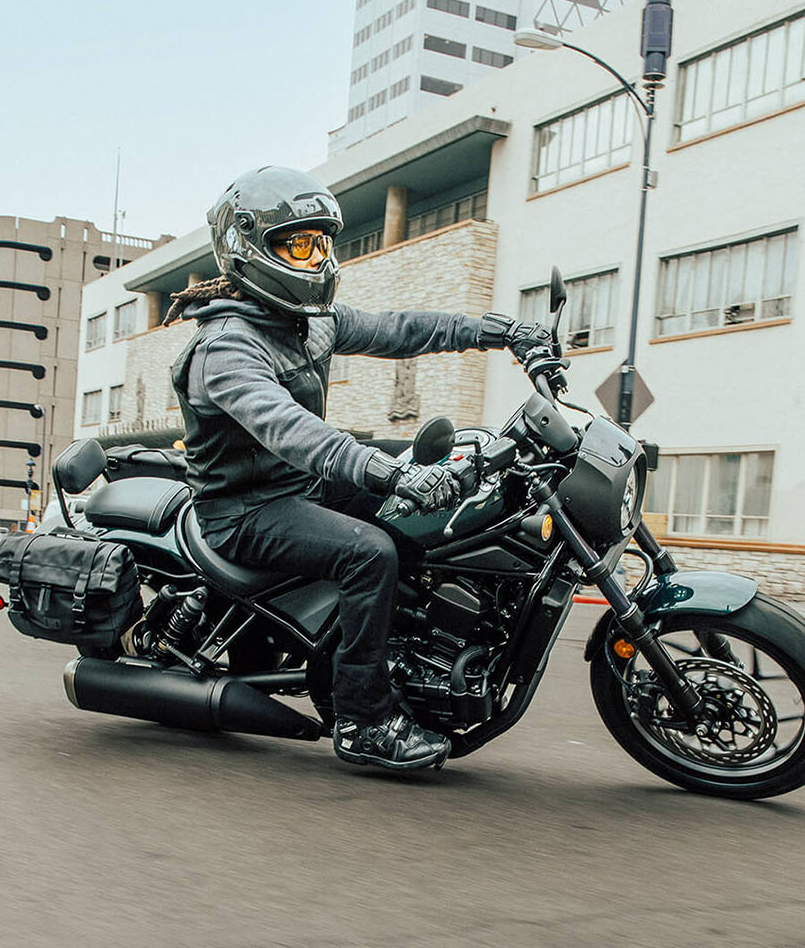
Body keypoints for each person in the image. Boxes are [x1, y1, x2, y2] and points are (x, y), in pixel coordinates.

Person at [170, 165, 557, 773]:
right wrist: (390, 472)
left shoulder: (306, 323)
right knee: (369, 553)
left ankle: (412, 656)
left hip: (303, 490)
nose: (318, 259)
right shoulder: (225, 347)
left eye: (322, 243)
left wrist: (502, 331)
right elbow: (292, 431)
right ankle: (364, 720)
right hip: (244, 511)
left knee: (432, 517)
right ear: (248, 246)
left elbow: (400, 329)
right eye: (299, 245)